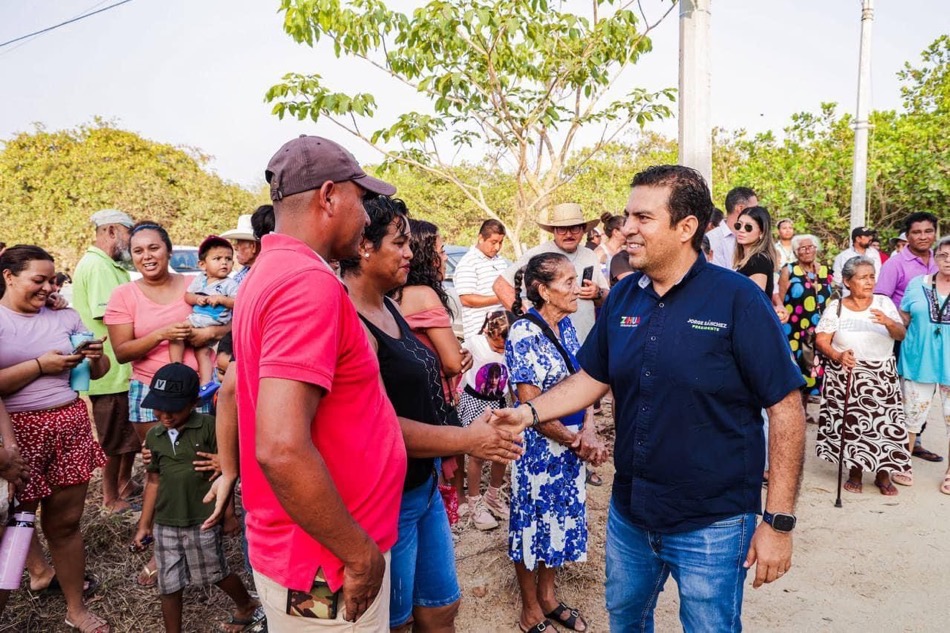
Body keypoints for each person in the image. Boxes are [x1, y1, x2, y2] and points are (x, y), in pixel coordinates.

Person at [493, 165, 806, 631]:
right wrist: (527, 412)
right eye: (627, 216)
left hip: (713, 523)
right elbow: (591, 377)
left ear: (686, 228)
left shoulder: (737, 299)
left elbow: (786, 408)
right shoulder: (622, 299)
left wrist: (778, 522)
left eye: (643, 218)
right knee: (627, 620)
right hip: (630, 516)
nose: (627, 230)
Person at [233, 136, 406, 632]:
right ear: (329, 197)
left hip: (317, 552)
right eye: (361, 200)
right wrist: (358, 556)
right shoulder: (305, 285)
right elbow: (281, 447)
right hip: (324, 564)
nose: (368, 216)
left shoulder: (273, 271)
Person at [340, 194, 522, 632]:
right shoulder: (347, 317)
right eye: (399, 243)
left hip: (419, 485)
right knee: (396, 620)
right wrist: (466, 439)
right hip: (385, 497)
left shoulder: (386, 304)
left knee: (441, 607)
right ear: (364, 247)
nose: (410, 253)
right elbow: (377, 424)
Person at [105, 221, 224, 587]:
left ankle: (207, 537)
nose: (146, 256)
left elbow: (230, 323)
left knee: (203, 464)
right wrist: (162, 333)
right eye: (138, 251)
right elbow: (123, 352)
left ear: (168, 251)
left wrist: (207, 334)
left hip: (199, 390)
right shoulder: (124, 295)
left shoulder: (195, 285)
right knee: (162, 468)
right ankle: (162, 547)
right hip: (148, 392)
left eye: (153, 248)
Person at [0, 245, 112, 633]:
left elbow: (97, 373)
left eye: (52, 279)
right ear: (8, 276)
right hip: (17, 434)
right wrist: (38, 366)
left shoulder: (64, 313)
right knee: (14, 526)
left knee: (65, 525)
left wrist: (96, 355)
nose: (48, 287)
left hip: (70, 427)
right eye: (38, 280)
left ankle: (75, 609)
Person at [506, 253, 606, 633]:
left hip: (569, 448)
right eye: (566, 282)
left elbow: (584, 383)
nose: (575, 287)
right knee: (532, 527)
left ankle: (548, 596)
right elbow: (530, 404)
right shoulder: (523, 333)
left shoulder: (567, 327)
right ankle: (530, 608)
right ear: (543, 291)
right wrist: (576, 441)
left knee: (559, 525)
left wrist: (589, 430)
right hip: (537, 452)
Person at [131, 363, 260, 633]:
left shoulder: (210, 427)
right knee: (168, 583)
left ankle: (246, 604)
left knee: (215, 572)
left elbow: (228, 473)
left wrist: (228, 515)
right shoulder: (154, 436)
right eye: (159, 407)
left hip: (202, 519)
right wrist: (144, 524)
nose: (164, 415)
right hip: (166, 521)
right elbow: (153, 481)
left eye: (173, 408)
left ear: (193, 403)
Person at [391, 218, 473, 525]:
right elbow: (452, 362)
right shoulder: (424, 294)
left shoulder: (388, 296)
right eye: (440, 249)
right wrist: (459, 358)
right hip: (432, 406)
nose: (444, 257)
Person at [815, 256, 910, 496]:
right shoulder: (836, 307)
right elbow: (822, 341)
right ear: (847, 281)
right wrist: (838, 355)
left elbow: (900, 335)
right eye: (862, 277)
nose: (869, 282)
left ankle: (883, 475)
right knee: (853, 427)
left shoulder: (884, 303)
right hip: (849, 374)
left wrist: (889, 322)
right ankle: (855, 472)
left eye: (871, 276)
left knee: (884, 426)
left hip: (881, 374)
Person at [71, 209, 141, 513]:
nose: (132, 241)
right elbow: (110, 315)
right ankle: (110, 497)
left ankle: (125, 483)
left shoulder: (110, 265)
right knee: (113, 439)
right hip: (108, 370)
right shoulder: (97, 266)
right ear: (112, 231)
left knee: (128, 436)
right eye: (129, 233)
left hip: (120, 369)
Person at [876, 211, 941, 462]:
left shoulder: (941, 260)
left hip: (934, 340)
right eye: (916, 232)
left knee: (927, 390)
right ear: (907, 236)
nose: (923, 237)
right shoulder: (895, 264)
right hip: (903, 340)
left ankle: (916, 441)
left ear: (935, 232)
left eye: (928, 231)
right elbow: (881, 299)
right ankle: (895, 444)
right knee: (903, 390)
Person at [494, 203, 609, 343]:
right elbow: (500, 285)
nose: (568, 234)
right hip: (549, 346)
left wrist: (597, 293)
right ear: (553, 231)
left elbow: (606, 298)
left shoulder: (590, 255)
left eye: (574, 228)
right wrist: (528, 320)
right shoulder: (538, 254)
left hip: (586, 344)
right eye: (562, 229)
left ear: (583, 229)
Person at [894, 236, 950, 492]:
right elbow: (903, 317)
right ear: (935, 257)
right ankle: (902, 463)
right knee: (911, 416)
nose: (948, 260)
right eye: (943, 255)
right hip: (919, 361)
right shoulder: (918, 284)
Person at [458, 310, 513, 531]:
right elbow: (456, 362)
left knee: (503, 450)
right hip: (476, 404)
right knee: (477, 455)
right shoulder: (474, 343)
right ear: (489, 332)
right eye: (498, 345)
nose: (501, 350)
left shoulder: (511, 347)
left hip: (501, 403)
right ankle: (474, 502)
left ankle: (493, 494)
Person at [168, 235, 239, 398]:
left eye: (228, 259)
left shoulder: (230, 284)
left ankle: (206, 383)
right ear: (202, 264)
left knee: (204, 353)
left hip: (214, 323)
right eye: (217, 258)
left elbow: (238, 303)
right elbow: (188, 296)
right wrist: (197, 298)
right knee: (177, 336)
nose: (224, 263)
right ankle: (175, 367)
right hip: (196, 320)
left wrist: (222, 299)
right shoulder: (200, 280)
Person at [778, 234, 833, 407]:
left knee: (816, 371)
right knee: (798, 371)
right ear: (795, 252)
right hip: (795, 330)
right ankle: (796, 408)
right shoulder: (789, 270)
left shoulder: (825, 271)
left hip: (820, 331)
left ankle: (807, 407)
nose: (807, 250)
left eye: (811, 247)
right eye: (802, 248)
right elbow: (779, 300)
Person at [454, 219, 509, 340]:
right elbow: (466, 299)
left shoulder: (500, 261)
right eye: (493, 242)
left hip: (502, 334)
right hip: (479, 335)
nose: (497, 247)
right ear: (481, 238)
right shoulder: (468, 262)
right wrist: (500, 298)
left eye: (500, 242)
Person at [734, 205, 788, 323]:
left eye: (748, 227)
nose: (741, 230)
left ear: (762, 233)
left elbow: (754, 302)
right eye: (738, 225)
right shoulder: (746, 260)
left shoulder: (758, 260)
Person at [707, 186, 757, 268]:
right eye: (754, 208)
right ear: (740, 208)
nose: (757, 213)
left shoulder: (755, 235)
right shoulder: (713, 238)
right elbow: (718, 275)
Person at [832, 226, 882, 294]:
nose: (870, 238)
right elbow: (837, 280)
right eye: (867, 236)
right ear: (858, 239)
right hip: (851, 296)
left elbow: (879, 273)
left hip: (872, 294)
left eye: (870, 236)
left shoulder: (874, 253)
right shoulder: (843, 257)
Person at [220, 211, 262, 285]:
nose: (235, 247)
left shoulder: (259, 274)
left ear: (253, 247)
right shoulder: (246, 270)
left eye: (239, 242)